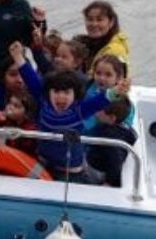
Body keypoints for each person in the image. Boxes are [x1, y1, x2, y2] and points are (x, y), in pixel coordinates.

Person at [10, 41, 129, 184]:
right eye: (56, 91)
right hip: (43, 161)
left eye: (66, 92)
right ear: (48, 93)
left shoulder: (79, 110)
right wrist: (18, 57)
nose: (61, 97)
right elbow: (31, 80)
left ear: (75, 95)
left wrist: (117, 91)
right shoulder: (44, 102)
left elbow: (101, 100)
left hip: (69, 171)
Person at [84, 98, 138, 188]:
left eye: (98, 110)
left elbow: (115, 161)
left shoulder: (109, 136)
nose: (95, 111)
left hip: (98, 170)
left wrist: (109, 183)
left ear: (112, 118)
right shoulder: (128, 130)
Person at [74, 0, 130, 74]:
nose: (94, 24)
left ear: (111, 22)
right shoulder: (83, 43)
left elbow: (100, 80)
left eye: (99, 20)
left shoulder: (114, 50)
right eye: (90, 19)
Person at [82, 54, 135, 131]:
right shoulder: (86, 90)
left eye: (108, 75)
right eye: (98, 73)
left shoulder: (124, 103)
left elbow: (125, 128)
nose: (102, 78)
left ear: (118, 78)